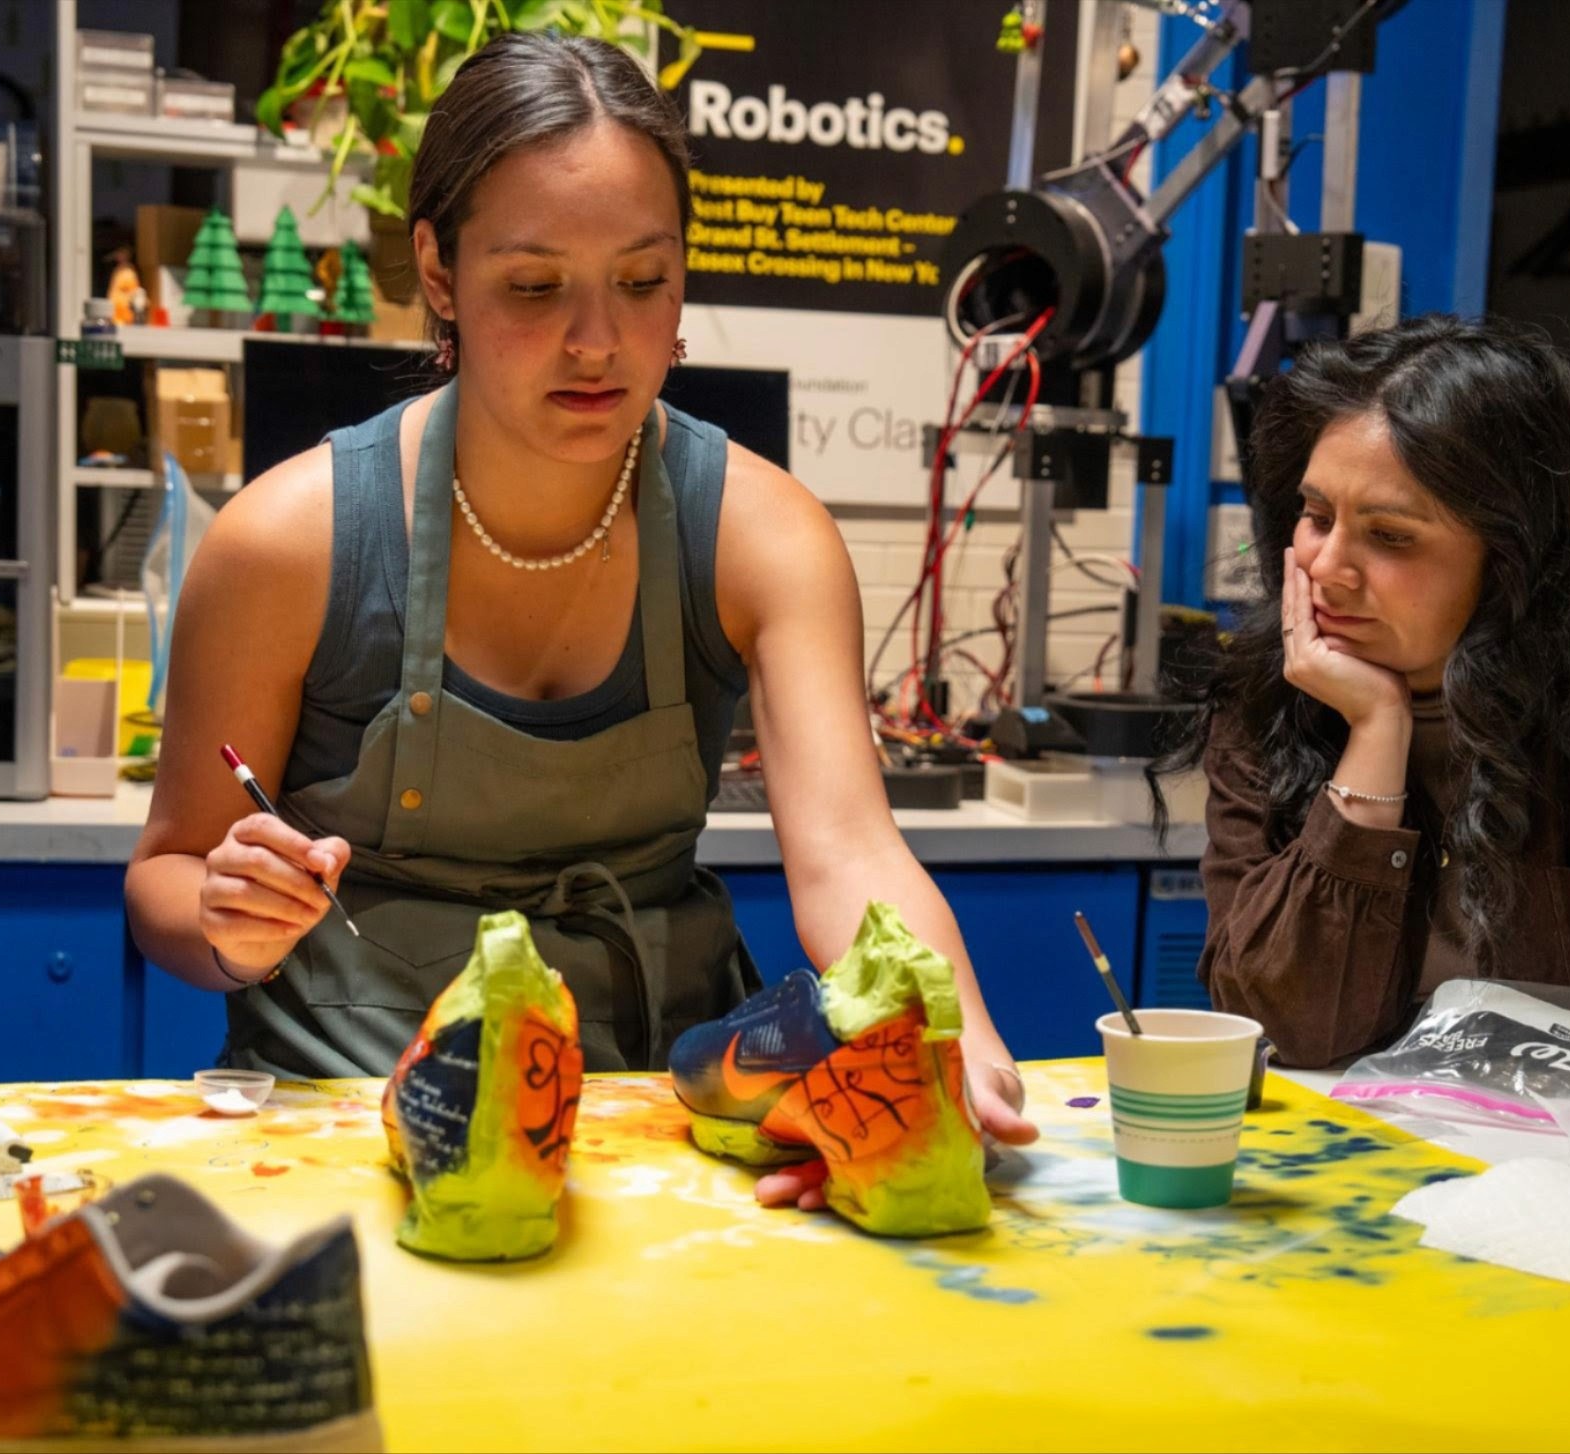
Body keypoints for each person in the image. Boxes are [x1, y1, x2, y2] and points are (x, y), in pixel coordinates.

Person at [124, 35, 1038, 1199]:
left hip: (658, 1131)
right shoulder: (285, 544)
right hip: (347, 1129)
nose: (598, 341)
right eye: (535, 285)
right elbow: (165, 877)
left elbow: (851, 850)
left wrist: (949, 1041)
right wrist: (224, 919)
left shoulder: (761, 534)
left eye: (644, 280)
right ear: (441, 273)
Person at [1173, 314, 1570, 1068]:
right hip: (1374, 1146)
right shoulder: (1272, 697)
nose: (1326, 568)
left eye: (1389, 536)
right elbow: (1284, 1029)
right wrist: (1376, 735)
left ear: (1516, 557)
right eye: (1317, 516)